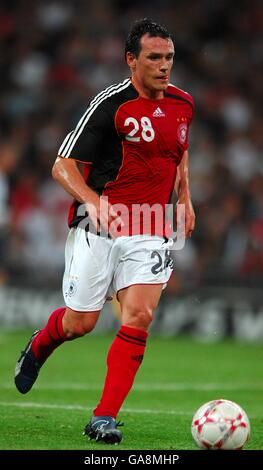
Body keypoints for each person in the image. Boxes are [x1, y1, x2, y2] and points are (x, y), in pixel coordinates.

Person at [14, 18, 195, 444]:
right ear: (131, 60)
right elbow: (63, 166)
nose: (164, 65)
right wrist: (95, 203)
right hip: (98, 225)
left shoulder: (184, 103)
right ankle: (41, 344)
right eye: (154, 57)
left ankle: (104, 417)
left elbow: (179, 151)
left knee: (140, 315)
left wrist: (185, 197)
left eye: (168, 57)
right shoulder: (110, 104)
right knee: (81, 323)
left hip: (151, 224)